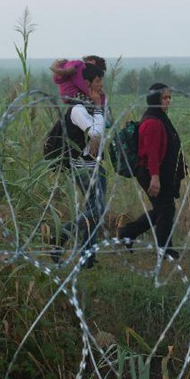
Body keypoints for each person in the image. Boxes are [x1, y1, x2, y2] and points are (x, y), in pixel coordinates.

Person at [117, 83, 186, 261]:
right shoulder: (153, 123)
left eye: (169, 97)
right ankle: (164, 250)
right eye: (164, 97)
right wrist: (155, 178)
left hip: (161, 173)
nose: (168, 101)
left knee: (163, 210)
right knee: (166, 209)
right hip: (151, 173)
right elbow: (151, 153)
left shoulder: (160, 118)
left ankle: (127, 233)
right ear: (155, 99)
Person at [50, 64, 107, 268]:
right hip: (83, 167)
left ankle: (87, 258)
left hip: (94, 165)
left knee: (94, 209)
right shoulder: (78, 109)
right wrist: (99, 108)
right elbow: (95, 133)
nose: (101, 87)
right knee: (96, 210)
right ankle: (62, 234)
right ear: (87, 84)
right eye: (98, 82)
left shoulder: (89, 106)